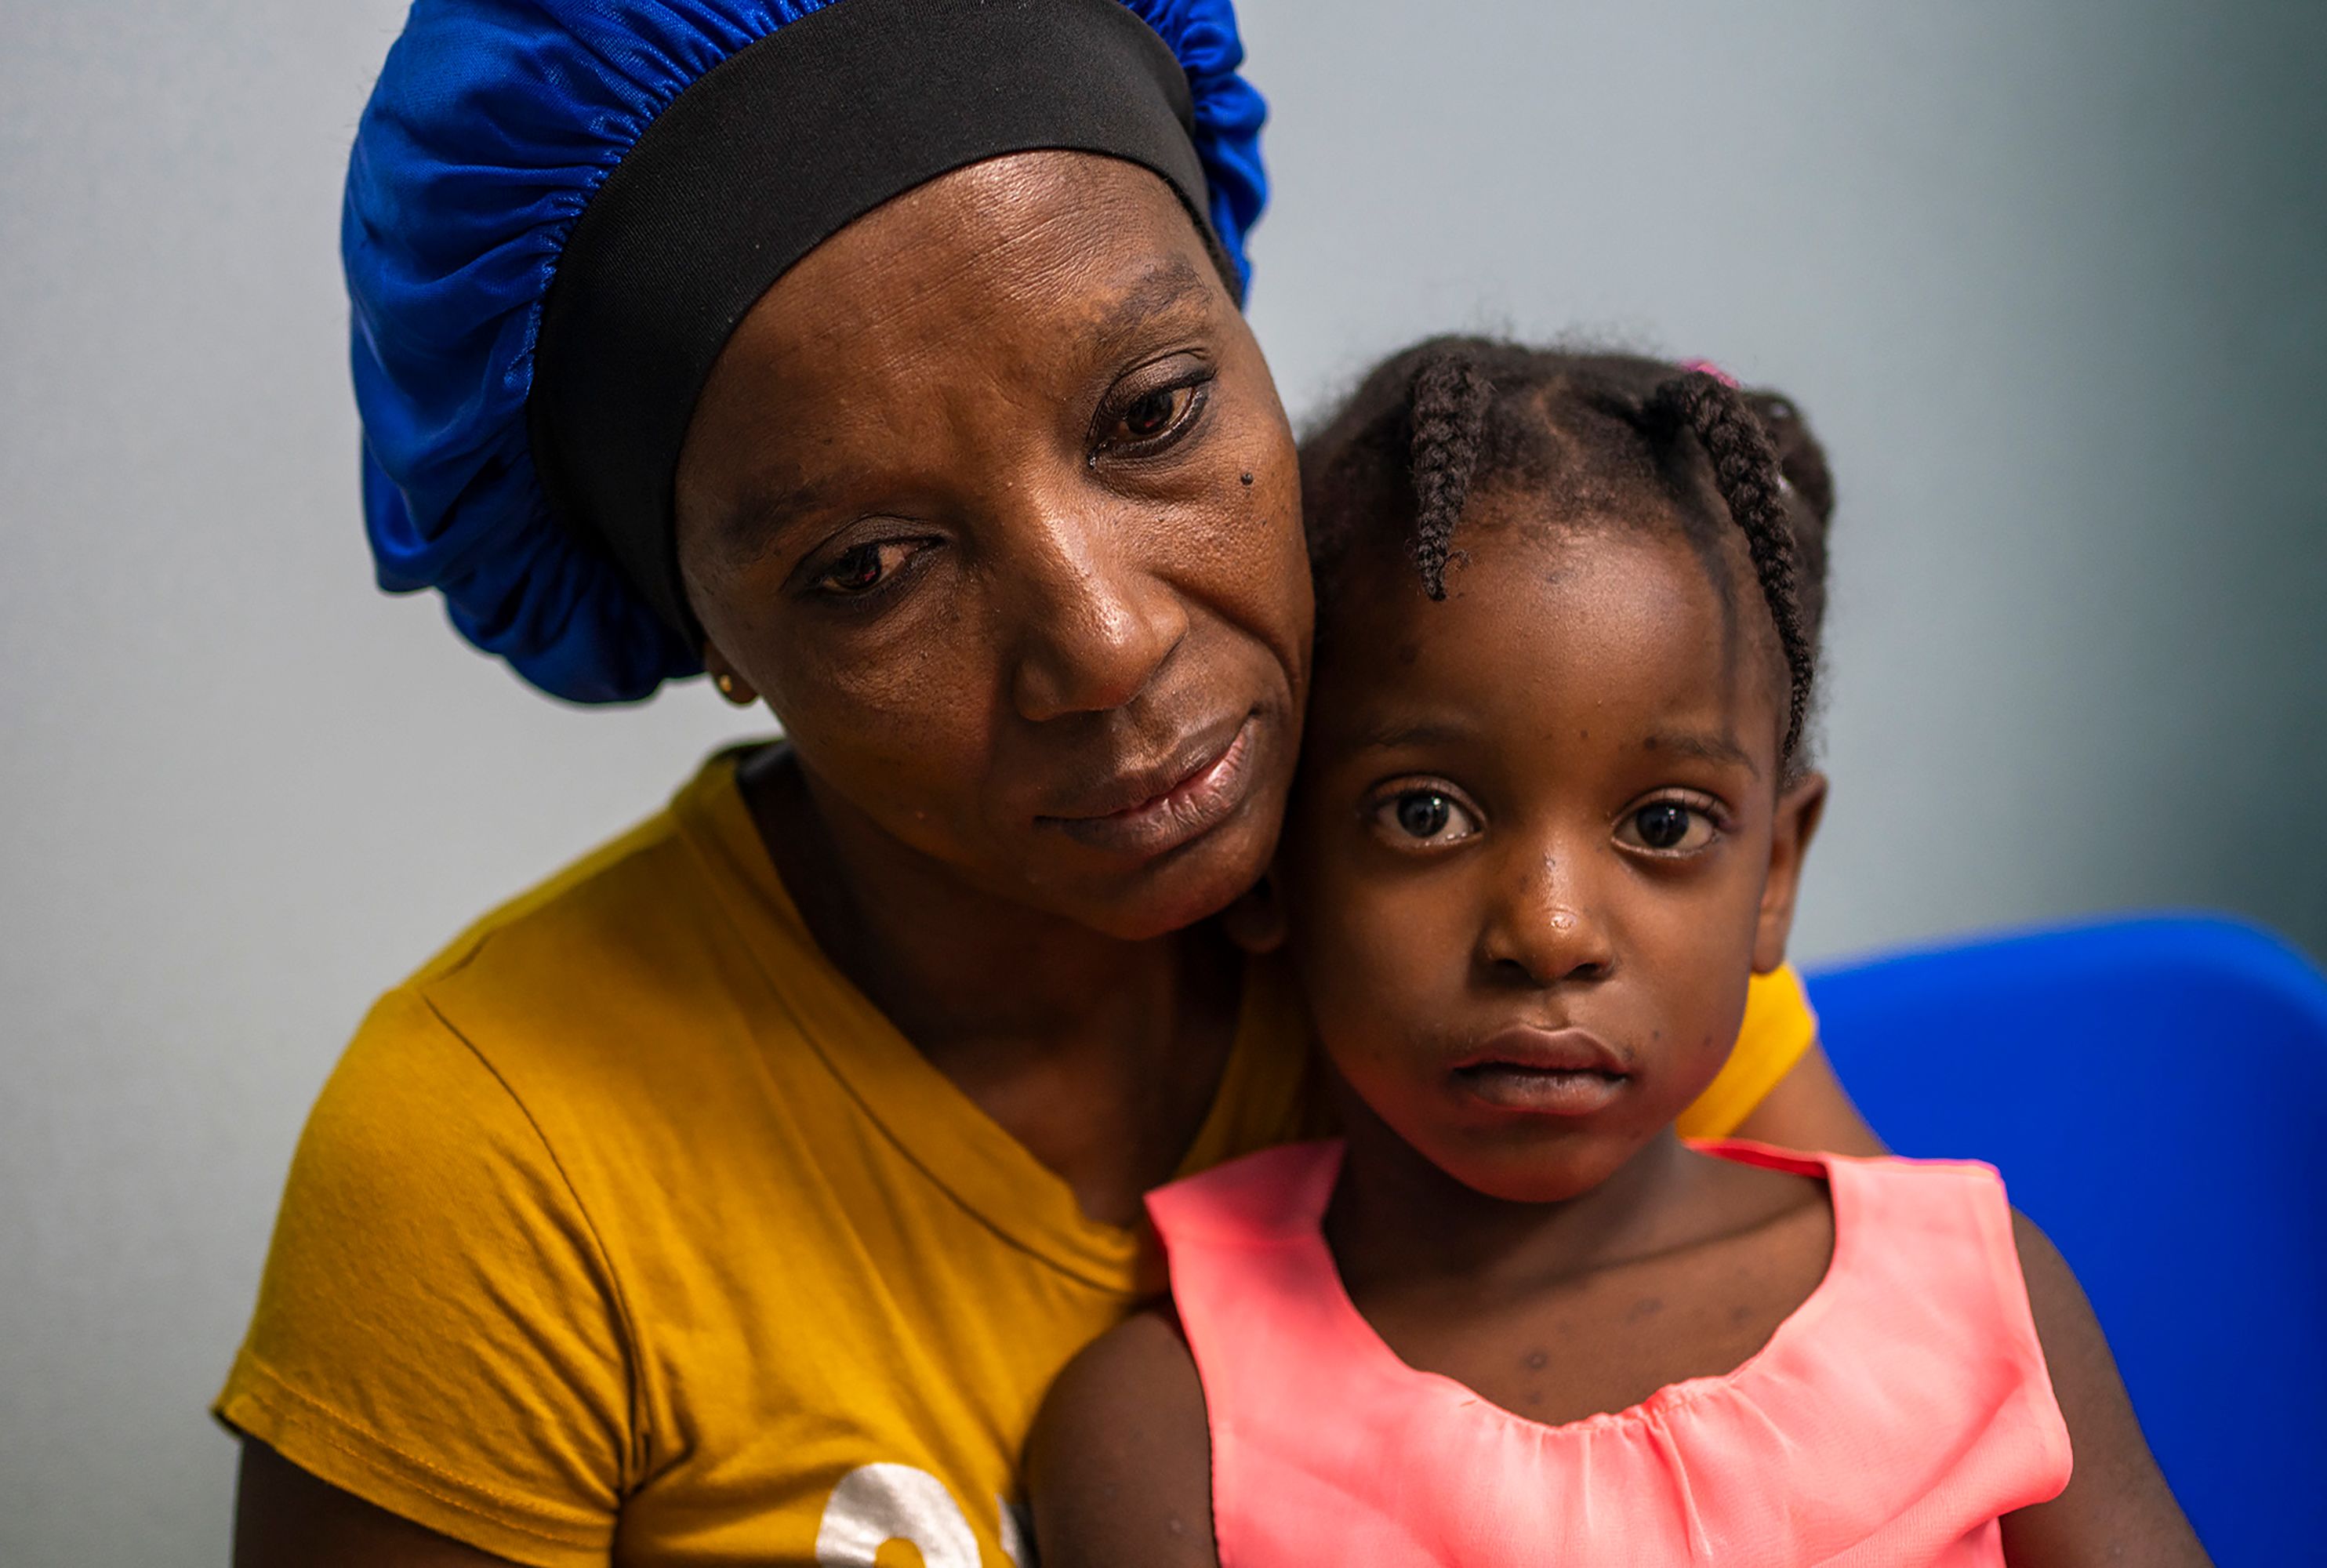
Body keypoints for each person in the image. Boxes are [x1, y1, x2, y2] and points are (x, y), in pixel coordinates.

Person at [219, 7, 1876, 1565]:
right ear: (704, 627)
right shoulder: (498, 1172)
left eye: (1152, 413)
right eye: (869, 565)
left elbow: (1914, 1418)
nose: (1104, 642)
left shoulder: (1522, 906)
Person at [1028, 341, 2208, 1566]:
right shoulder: (1172, 1425)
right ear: (1273, 856)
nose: (1550, 932)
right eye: (1424, 812)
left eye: (1664, 825)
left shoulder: (1978, 1298)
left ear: (1776, 875)